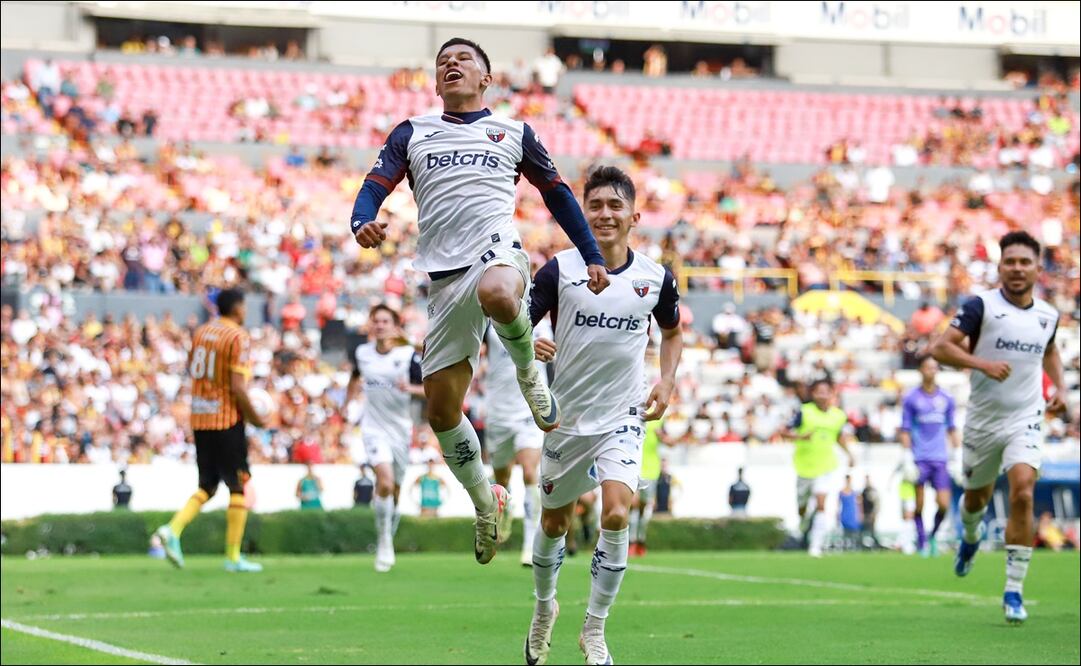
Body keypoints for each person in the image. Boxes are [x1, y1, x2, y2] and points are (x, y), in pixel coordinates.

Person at [350, 37, 609, 566]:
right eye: (443, 60)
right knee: (442, 412)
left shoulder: (514, 132)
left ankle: (530, 376)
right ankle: (485, 500)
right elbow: (375, 183)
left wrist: (591, 254)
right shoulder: (412, 132)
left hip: (498, 253)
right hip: (444, 281)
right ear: (435, 81)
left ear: (486, 78)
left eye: (463, 58)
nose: (451, 63)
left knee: (498, 292)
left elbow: (557, 192)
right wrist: (362, 219)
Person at [524, 166, 683, 665]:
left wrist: (667, 379)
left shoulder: (655, 278)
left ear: (634, 216)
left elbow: (672, 332)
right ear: (582, 214)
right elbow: (513, 325)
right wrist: (531, 342)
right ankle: (545, 607)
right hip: (567, 418)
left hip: (624, 414)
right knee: (554, 523)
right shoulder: (558, 270)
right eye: (595, 206)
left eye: (616, 206)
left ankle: (595, 627)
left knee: (616, 512)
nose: (605, 214)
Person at [931, 230, 1066, 624]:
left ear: (1038, 269)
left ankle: (1013, 590)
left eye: (1025, 262)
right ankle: (971, 537)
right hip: (983, 422)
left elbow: (1050, 350)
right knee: (976, 501)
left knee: (1023, 490)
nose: (1017, 268)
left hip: (1026, 417)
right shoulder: (981, 307)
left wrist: (1060, 388)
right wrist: (982, 364)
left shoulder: (1048, 315)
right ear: (1000, 267)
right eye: (1011, 262)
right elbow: (940, 347)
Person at [154, 288, 267, 573]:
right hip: (226, 418)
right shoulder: (237, 337)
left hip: (200, 417)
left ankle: (172, 529)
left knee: (207, 485)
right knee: (238, 485)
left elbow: (194, 369)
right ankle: (233, 557)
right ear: (237, 308)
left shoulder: (202, 333)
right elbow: (238, 386)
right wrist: (255, 418)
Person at [345, 304, 424, 573]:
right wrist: (347, 404)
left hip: (400, 430)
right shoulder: (362, 353)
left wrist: (409, 387)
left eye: (385, 321)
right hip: (373, 428)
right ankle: (383, 542)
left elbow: (429, 389)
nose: (379, 325)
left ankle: (388, 529)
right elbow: (354, 377)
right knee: (385, 482)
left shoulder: (407, 355)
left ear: (394, 326)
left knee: (396, 490)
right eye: (375, 321)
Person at [482, 322, 547, 566]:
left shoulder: (545, 324)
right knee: (501, 480)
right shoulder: (491, 323)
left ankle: (530, 543)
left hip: (530, 408)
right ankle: (506, 507)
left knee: (531, 472)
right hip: (499, 413)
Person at [781, 379, 856, 558]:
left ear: (832, 394)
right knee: (802, 506)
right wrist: (800, 437)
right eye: (818, 392)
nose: (822, 396)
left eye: (826, 392)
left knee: (822, 502)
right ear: (813, 394)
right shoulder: (804, 412)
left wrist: (850, 454)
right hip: (804, 466)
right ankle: (803, 524)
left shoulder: (838, 416)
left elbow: (838, 436)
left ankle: (816, 545)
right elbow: (784, 432)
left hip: (826, 466)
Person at [899, 355, 960, 557]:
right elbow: (905, 429)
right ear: (920, 370)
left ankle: (933, 535)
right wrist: (907, 456)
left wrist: (958, 454)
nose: (931, 371)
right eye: (927, 367)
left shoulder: (946, 398)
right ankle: (922, 541)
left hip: (940, 458)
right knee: (919, 504)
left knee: (944, 503)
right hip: (919, 458)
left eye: (935, 368)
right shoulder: (911, 398)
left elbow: (952, 428)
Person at [628, 418, 666, 557]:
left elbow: (670, 441)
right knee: (633, 505)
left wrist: (662, 436)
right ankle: (631, 542)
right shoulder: (633, 414)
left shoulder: (658, 419)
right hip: (632, 468)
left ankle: (640, 540)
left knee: (643, 511)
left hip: (650, 472)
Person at [839, 476, 861, 551]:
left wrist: (860, 514)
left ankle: (855, 546)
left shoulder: (855, 492)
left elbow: (859, 504)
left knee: (854, 531)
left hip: (852, 513)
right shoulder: (841, 492)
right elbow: (838, 504)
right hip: (845, 512)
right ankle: (845, 547)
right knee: (845, 531)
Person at [861, 475, 880, 549]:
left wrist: (874, 513)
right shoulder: (864, 491)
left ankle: (874, 545)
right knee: (865, 530)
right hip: (865, 514)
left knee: (872, 530)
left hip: (871, 514)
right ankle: (865, 545)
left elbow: (876, 503)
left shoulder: (873, 490)